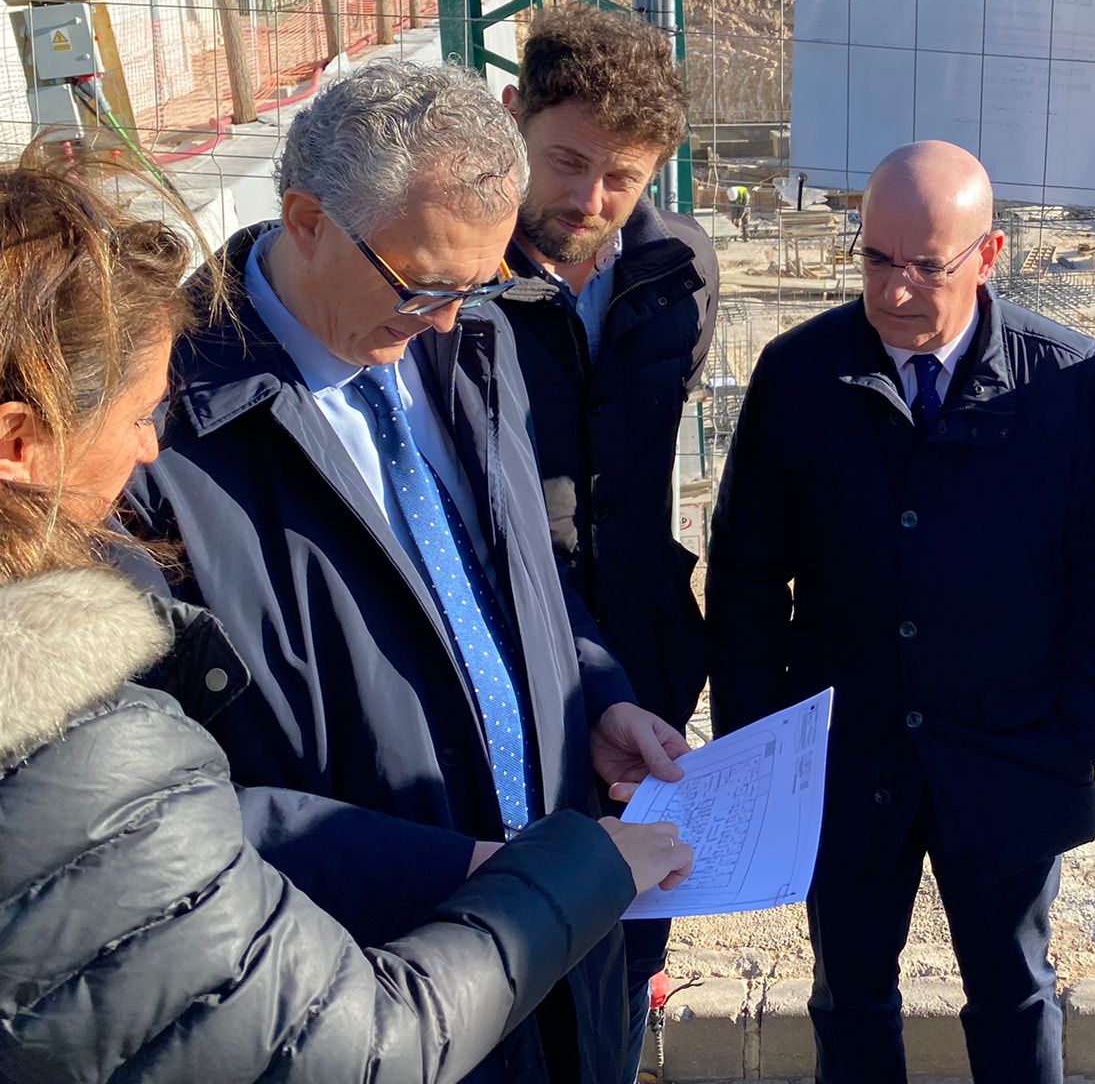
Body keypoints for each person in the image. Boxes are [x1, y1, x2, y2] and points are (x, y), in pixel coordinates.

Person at [0, 157, 695, 1082]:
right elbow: (173, 819)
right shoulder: (166, 425)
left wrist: (589, 697)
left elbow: (520, 573)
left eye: (479, 282)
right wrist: (488, 870)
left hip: (545, 950)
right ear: (307, 220)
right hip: (373, 959)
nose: (447, 315)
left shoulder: (471, 336)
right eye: (422, 285)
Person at [708, 140, 1095, 1084]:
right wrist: (763, 748)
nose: (894, 290)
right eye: (876, 258)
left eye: (926, 265)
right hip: (847, 759)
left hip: (1010, 757)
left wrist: (1078, 733)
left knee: (1014, 992)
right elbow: (746, 576)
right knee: (850, 997)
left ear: (989, 256)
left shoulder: (1064, 382)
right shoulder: (798, 375)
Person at [497, 0, 719, 1056]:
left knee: (634, 929)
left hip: (645, 653)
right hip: (511, 665)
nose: (590, 201)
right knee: (519, 936)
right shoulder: (458, 282)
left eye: (622, 177)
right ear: (513, 118)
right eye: (567, 162)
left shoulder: (681, 272)